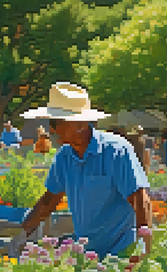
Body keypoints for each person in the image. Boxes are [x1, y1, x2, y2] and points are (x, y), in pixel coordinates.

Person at [13, 82, 152, 257]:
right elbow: (49, 201)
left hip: (121, 250)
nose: (52, 129)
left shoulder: (116, 150)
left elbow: (140, 200)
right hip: (87, 252)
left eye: (56, 122)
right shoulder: (64, 156)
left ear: (80, 124)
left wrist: (143, 249)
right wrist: (22, 233)